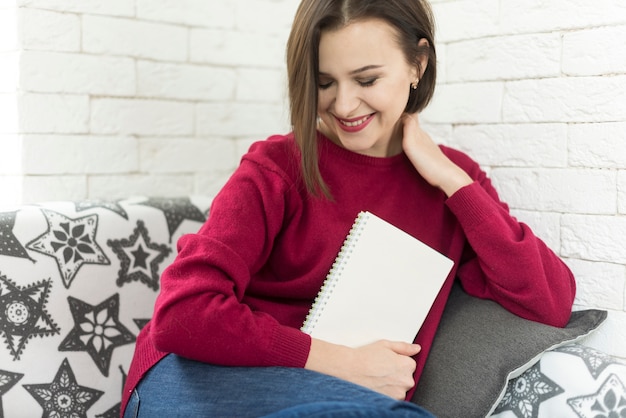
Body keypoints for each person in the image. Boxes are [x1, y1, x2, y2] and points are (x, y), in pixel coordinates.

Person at [121, 0, 577, 416]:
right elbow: (183, 315)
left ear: (418, 64)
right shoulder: (277, 167)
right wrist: (344, 363)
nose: (342, 104)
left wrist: (451, 180)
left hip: (334, 400)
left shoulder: (452, 182)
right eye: (323, 82)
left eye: (366, 79)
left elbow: (548, 301)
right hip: (196, 378)